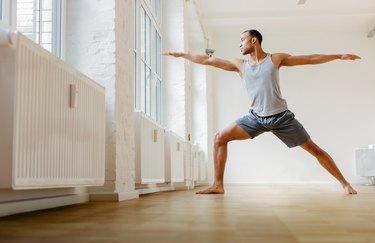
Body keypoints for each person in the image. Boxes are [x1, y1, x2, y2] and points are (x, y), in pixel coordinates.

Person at [162, 29, 360, 195]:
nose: (240, 44)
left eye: (242, 40)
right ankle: (218, 185)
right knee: (220, 138)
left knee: (314, 149)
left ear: (253, 40)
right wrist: (181, 55)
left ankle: (345, 184)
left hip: (282, 118)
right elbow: (207, 60)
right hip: (255, 118)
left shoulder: (276, 59)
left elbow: (308, 59)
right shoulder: (240, 65)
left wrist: (338, 56)